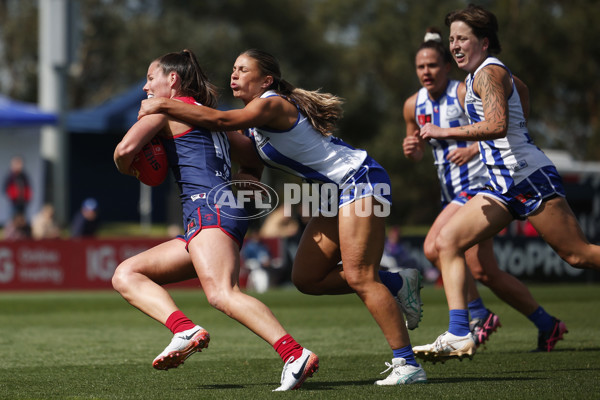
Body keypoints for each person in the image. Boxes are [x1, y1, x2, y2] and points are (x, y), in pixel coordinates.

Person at [138, 48, 427, 385]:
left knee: (360, 276)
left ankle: (407, 363)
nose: (234, 75)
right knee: (307, 278)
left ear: (266, 80)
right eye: (233, 69)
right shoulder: (255, 123)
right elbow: (246, 157)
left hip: (360, 180)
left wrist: (162, 104)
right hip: (332, 193)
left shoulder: (271, 103)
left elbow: (220, 120)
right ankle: (397, 282)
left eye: (243, 70)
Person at [112, 49, 317, 391]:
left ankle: (294, 354)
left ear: (172, 80)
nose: (146, 88)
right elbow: (252, 156)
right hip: (214, 215)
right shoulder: (210, 115)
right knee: (126, 274)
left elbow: (123, 151)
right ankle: (183, 329)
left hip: (209, 213)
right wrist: (248, 175)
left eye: (151, 79)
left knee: (222, 294)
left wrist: (130, 168)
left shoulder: (164, 109)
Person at [414, 4, 600, 362]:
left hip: (528, 177)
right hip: (501, 186)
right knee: (446, 242)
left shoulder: (487, 73)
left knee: (578, 255)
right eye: (452, 39)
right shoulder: (476, 77)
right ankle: (458, 332)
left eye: (462, 38)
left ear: (484, 42)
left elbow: (498, 125)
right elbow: (521, 92)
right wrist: (519, 120)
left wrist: (445, 131)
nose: (454, 45)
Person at [403, 28, 565, 353]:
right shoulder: (412, 105)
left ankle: (476, 317)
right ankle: (547, 324)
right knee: (484, 272)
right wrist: (412, 149)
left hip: (479, 186)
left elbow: (509, 103)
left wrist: (474, 149)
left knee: (436, 246)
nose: (426, 72)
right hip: (453, 192)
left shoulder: (464, 89)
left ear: (446, 67)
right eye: (421, 67)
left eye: (433, 65)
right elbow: (419, 146)